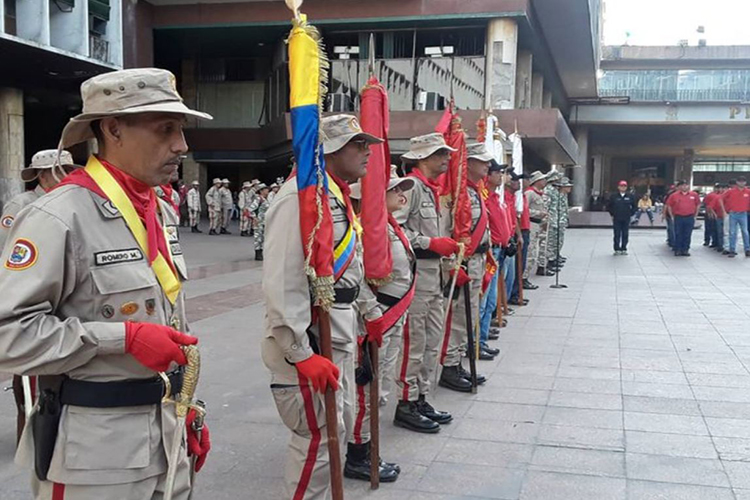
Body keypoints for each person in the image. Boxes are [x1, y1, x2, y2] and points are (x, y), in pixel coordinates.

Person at [0, 68, 211, 500]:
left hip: (165, 433)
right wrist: (122, 338)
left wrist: (187, 413)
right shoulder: (59, 216)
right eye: (166, 129)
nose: (182, 145)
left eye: (181, 129)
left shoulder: (158, 212)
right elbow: (7, 336)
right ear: (113, 129)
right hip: (95, 457)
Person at [261, 113, 397, 498]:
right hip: (311, 338)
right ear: (331, 150)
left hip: (338, 331)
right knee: (317, 442)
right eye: (358, 144)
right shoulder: (298, 199)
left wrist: (369, 312)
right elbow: (283, 280)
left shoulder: (334, 196)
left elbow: (348, 271)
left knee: (333, 431)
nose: (367, 151)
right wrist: (300, 352)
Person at [0, 149, 80, 443]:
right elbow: (8, 254)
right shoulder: (21, 205)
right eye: (63, 170)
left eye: (70, 170)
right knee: (27, 375)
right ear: (44, 175)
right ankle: (29, 434)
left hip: (59, 297)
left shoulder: (70, 203)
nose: (69, 176)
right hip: (28, 294)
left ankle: (51, 428)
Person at [346, 166, 416, 481]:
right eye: (394, 189)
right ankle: (358, 455)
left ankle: (369, 446)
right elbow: (356, 276)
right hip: (376, 319)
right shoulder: (366, 228)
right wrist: (371, 312)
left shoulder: (389, 225)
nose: (402, 194)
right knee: (368, 389)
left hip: (392, 317)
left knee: (381, 387)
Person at [394, 132, 458, 433]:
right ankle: (405, 402)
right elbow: (396, 229)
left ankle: (421, 397)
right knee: (414, 342)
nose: (446, 159)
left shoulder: (433, 190)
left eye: (445, 154)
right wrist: (430, 243)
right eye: (439, 154)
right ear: (421, 158)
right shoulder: (411, 188)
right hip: (418, 275)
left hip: (435, 277)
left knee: (432, 341)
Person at [440, 143, 491, 391]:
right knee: (459, 316)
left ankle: (458, 361)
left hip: (477, 260)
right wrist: (453, 265)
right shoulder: (459, 193)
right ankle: (449, 365)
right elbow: (450, 230)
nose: (488, 165)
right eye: (482, 161)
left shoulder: (476, 191)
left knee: (470, 314)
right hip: (465, 261)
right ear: (468, 162)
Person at [0, 149, 80, 250]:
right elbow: (3, 244)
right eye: (60, 172)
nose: (67, 176)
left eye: (69, 172)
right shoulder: (21, 204)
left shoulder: (73, 202)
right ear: (42, 176)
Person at [477, 159, 510, 359]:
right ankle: (476, 342)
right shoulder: (484, 197)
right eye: (497, 173)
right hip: (489, 253)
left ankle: (482, 338)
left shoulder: (497, 197)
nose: (501, 176)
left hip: (500, 250)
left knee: (491, 301)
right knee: (483, 301)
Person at [524, 171, 550, 279]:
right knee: (530, 252)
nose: (545, 182)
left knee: (536, 251)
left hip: (539, 224)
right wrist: (539, 213)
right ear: (537, 181)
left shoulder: (539, 193)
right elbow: (525, 210)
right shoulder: (529, 193)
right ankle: (524, 277)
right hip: (531, 223)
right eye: (542, 179)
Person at [666, 180, 701, 256]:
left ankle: (685, 249)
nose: (684, 187)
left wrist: (695, 215)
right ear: (679, 187)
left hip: (689, 217)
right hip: (678, 217)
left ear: (688, 186)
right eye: (682, 185)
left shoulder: (694, 195)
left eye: (686, 185)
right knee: (678, 233)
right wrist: (671, 216)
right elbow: (669, 205)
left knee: (687, 234)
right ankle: (678, 249)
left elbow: (698, 205)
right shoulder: (674, 195)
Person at [719, 176, 750, 257]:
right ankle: (732, 250)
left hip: (743, 213)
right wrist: (724, 211)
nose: (741, 183)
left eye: (743, 181)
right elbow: (720, 198)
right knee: (732, 232)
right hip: (733, 214)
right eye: (740, 181)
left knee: (745, 232)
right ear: (737, 182)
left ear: (745, 182)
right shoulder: (731, 191)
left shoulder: (748, 191)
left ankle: (747, 249)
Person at [607, 180, 637, 255]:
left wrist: (631, 214)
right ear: (618, 187)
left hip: (626, 218)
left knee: (625, 233)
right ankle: (617, 248)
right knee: (617, 233)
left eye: (624, 186)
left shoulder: (630, 196)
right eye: (621, 186)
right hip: (617, 218)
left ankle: (624, 248)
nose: (623, 188)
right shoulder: (614, 196)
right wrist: (612, 214)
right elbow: (609, 206)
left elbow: (634, 206)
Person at [249, 183, 270, 261]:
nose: (267, 191)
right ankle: (258, 254)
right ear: (261, 191)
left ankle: (261, 252)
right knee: (258, 238)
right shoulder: (258, 199)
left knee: (262, 238)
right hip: (259, 222)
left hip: (264, 221)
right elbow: (250, 209)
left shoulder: (265, 199)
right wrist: (254, 218)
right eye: (265, 189)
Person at [707, 184, 726, 252]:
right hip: (720, 217)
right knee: (719, 232)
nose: (723, 190)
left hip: (729, 217)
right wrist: (714, 214)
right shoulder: (717, 197)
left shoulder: (731, 197)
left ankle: (727, 246)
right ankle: (720, 245)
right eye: (722, 188)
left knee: (728, 233)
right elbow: (710, 206)